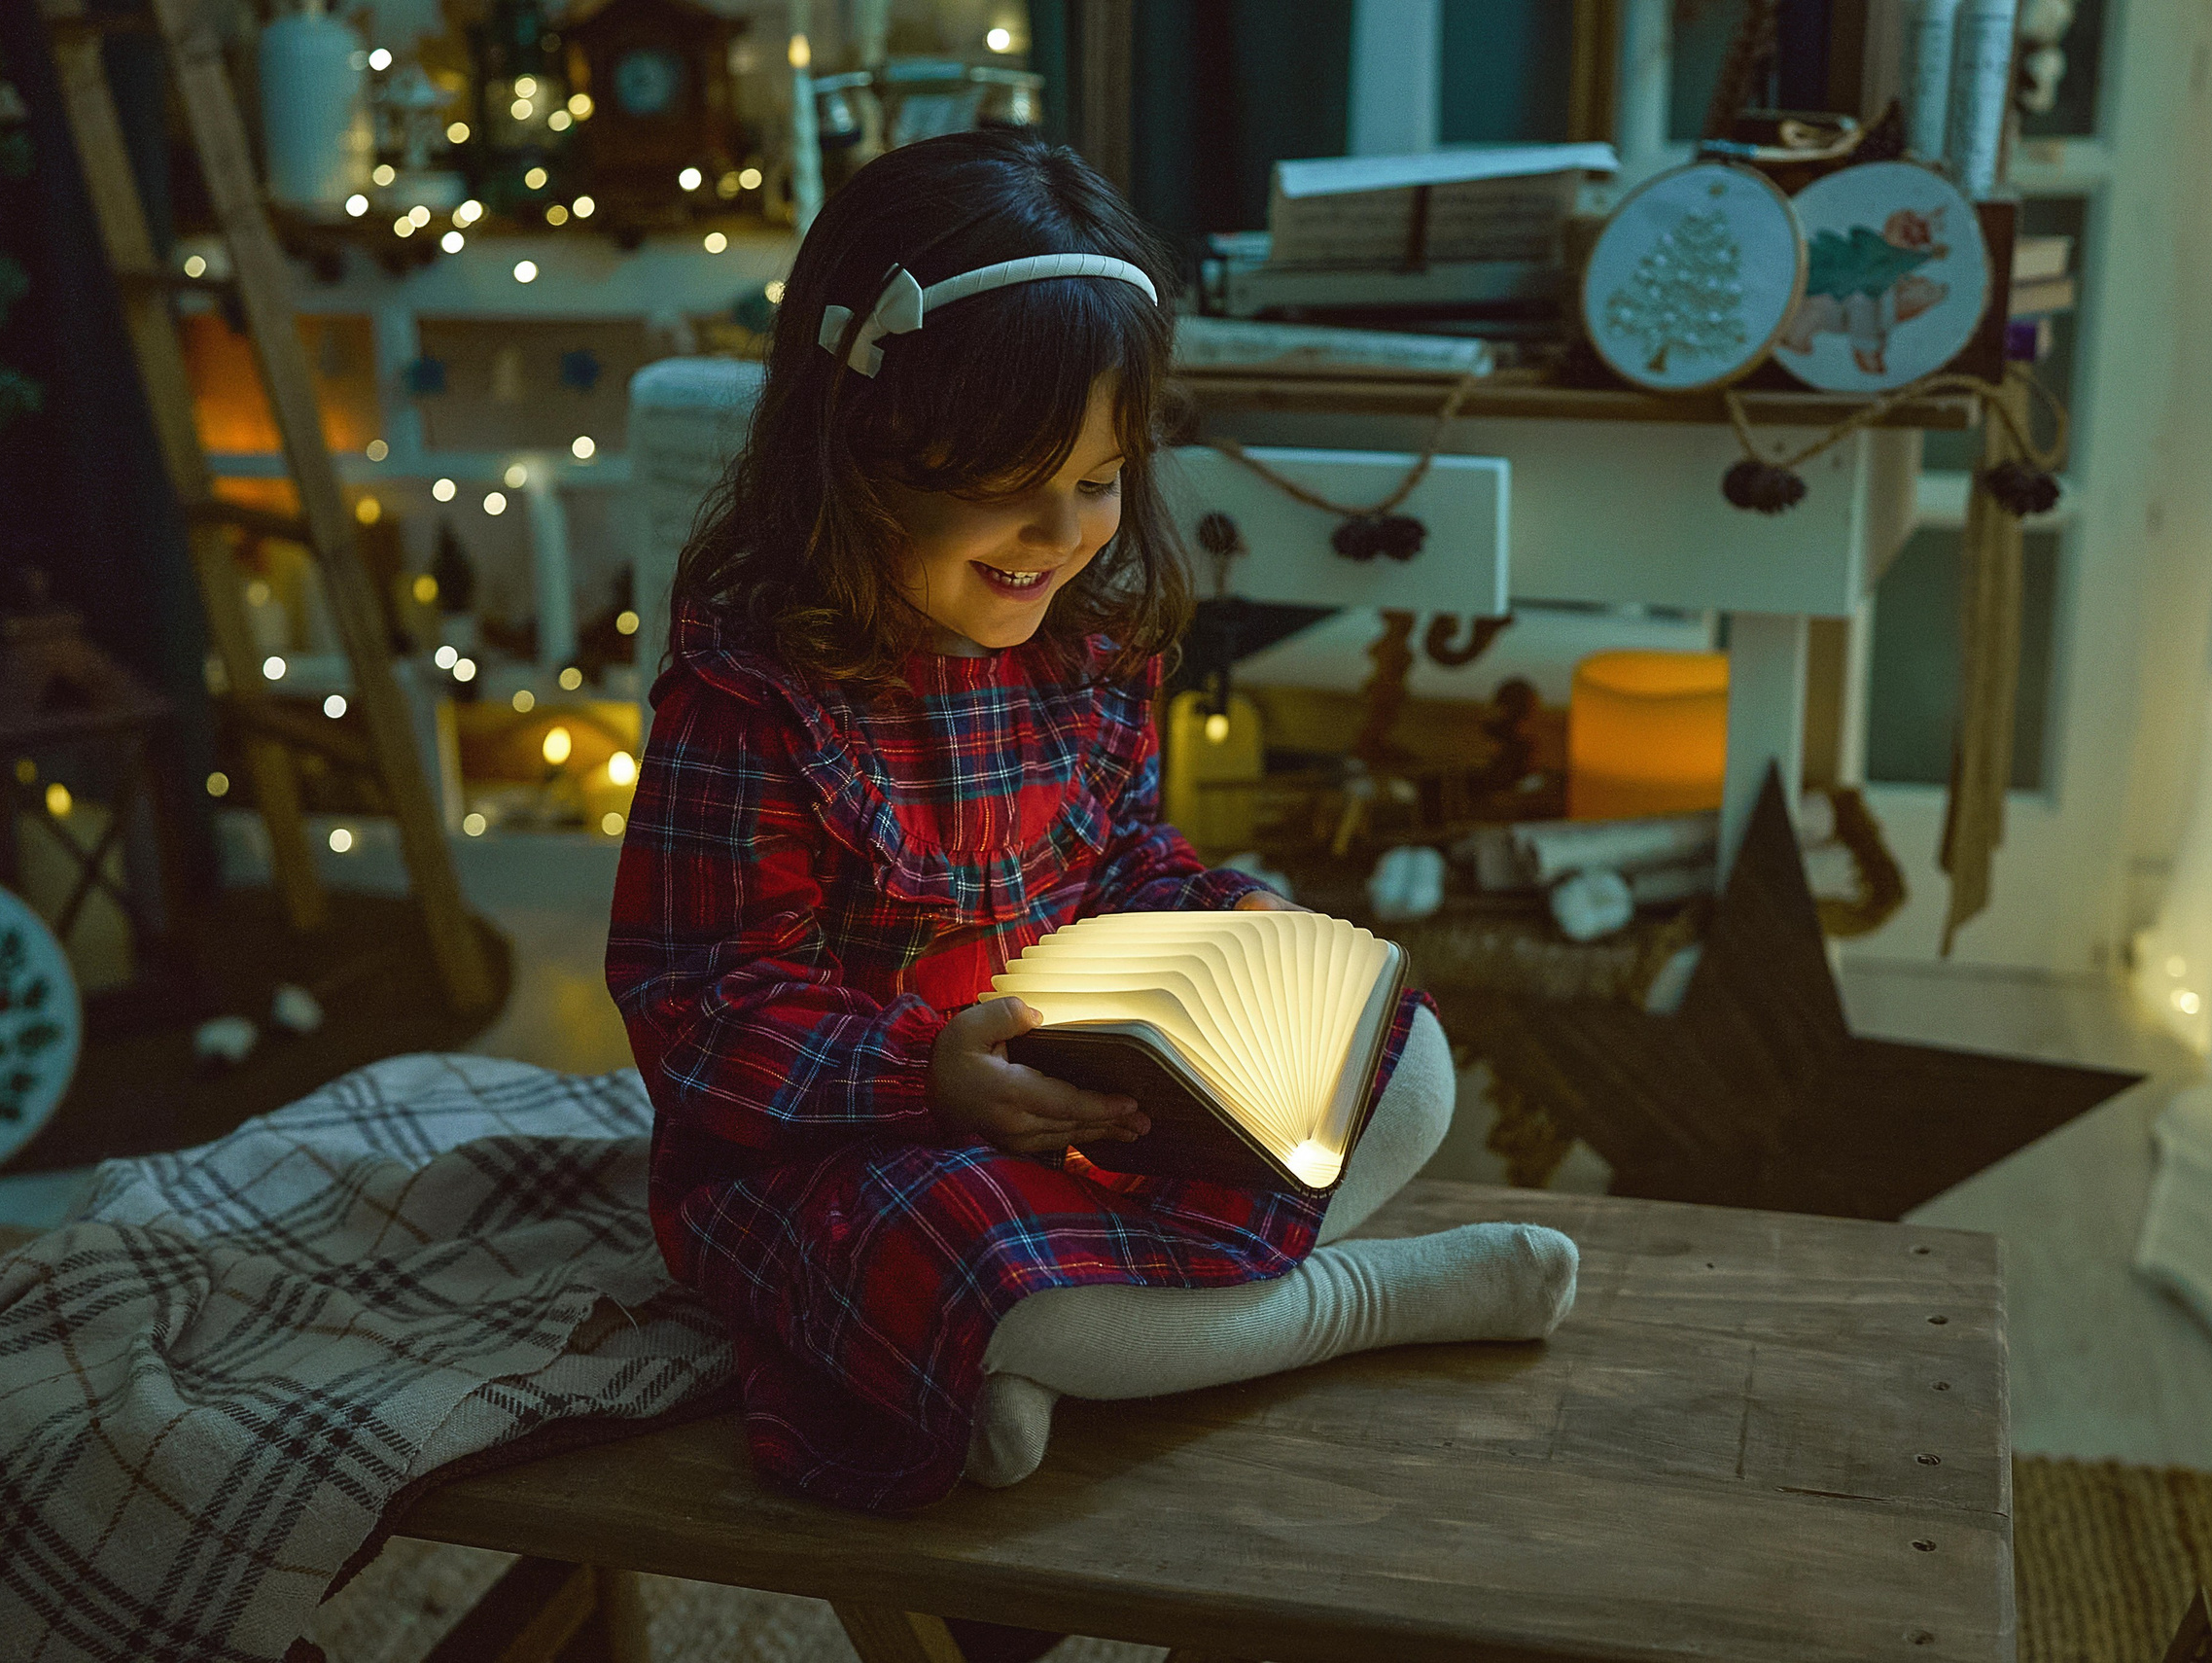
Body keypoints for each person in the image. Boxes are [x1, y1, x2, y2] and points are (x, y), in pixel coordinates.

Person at [607, 128, 1578, 1525]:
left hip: (1078, 1099)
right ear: (858, 448)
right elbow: (704, 1005)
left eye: (1101, 476)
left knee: (1404, 1055)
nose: (1059, 532)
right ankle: (1345, 1300)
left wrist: (1228, 920)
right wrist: (925, 1075)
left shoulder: (1090, 642)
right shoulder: (752, 699)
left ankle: (1050, 1348)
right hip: (846, 1147)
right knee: (967, 1263)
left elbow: (1128, 858)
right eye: (1008, 479)